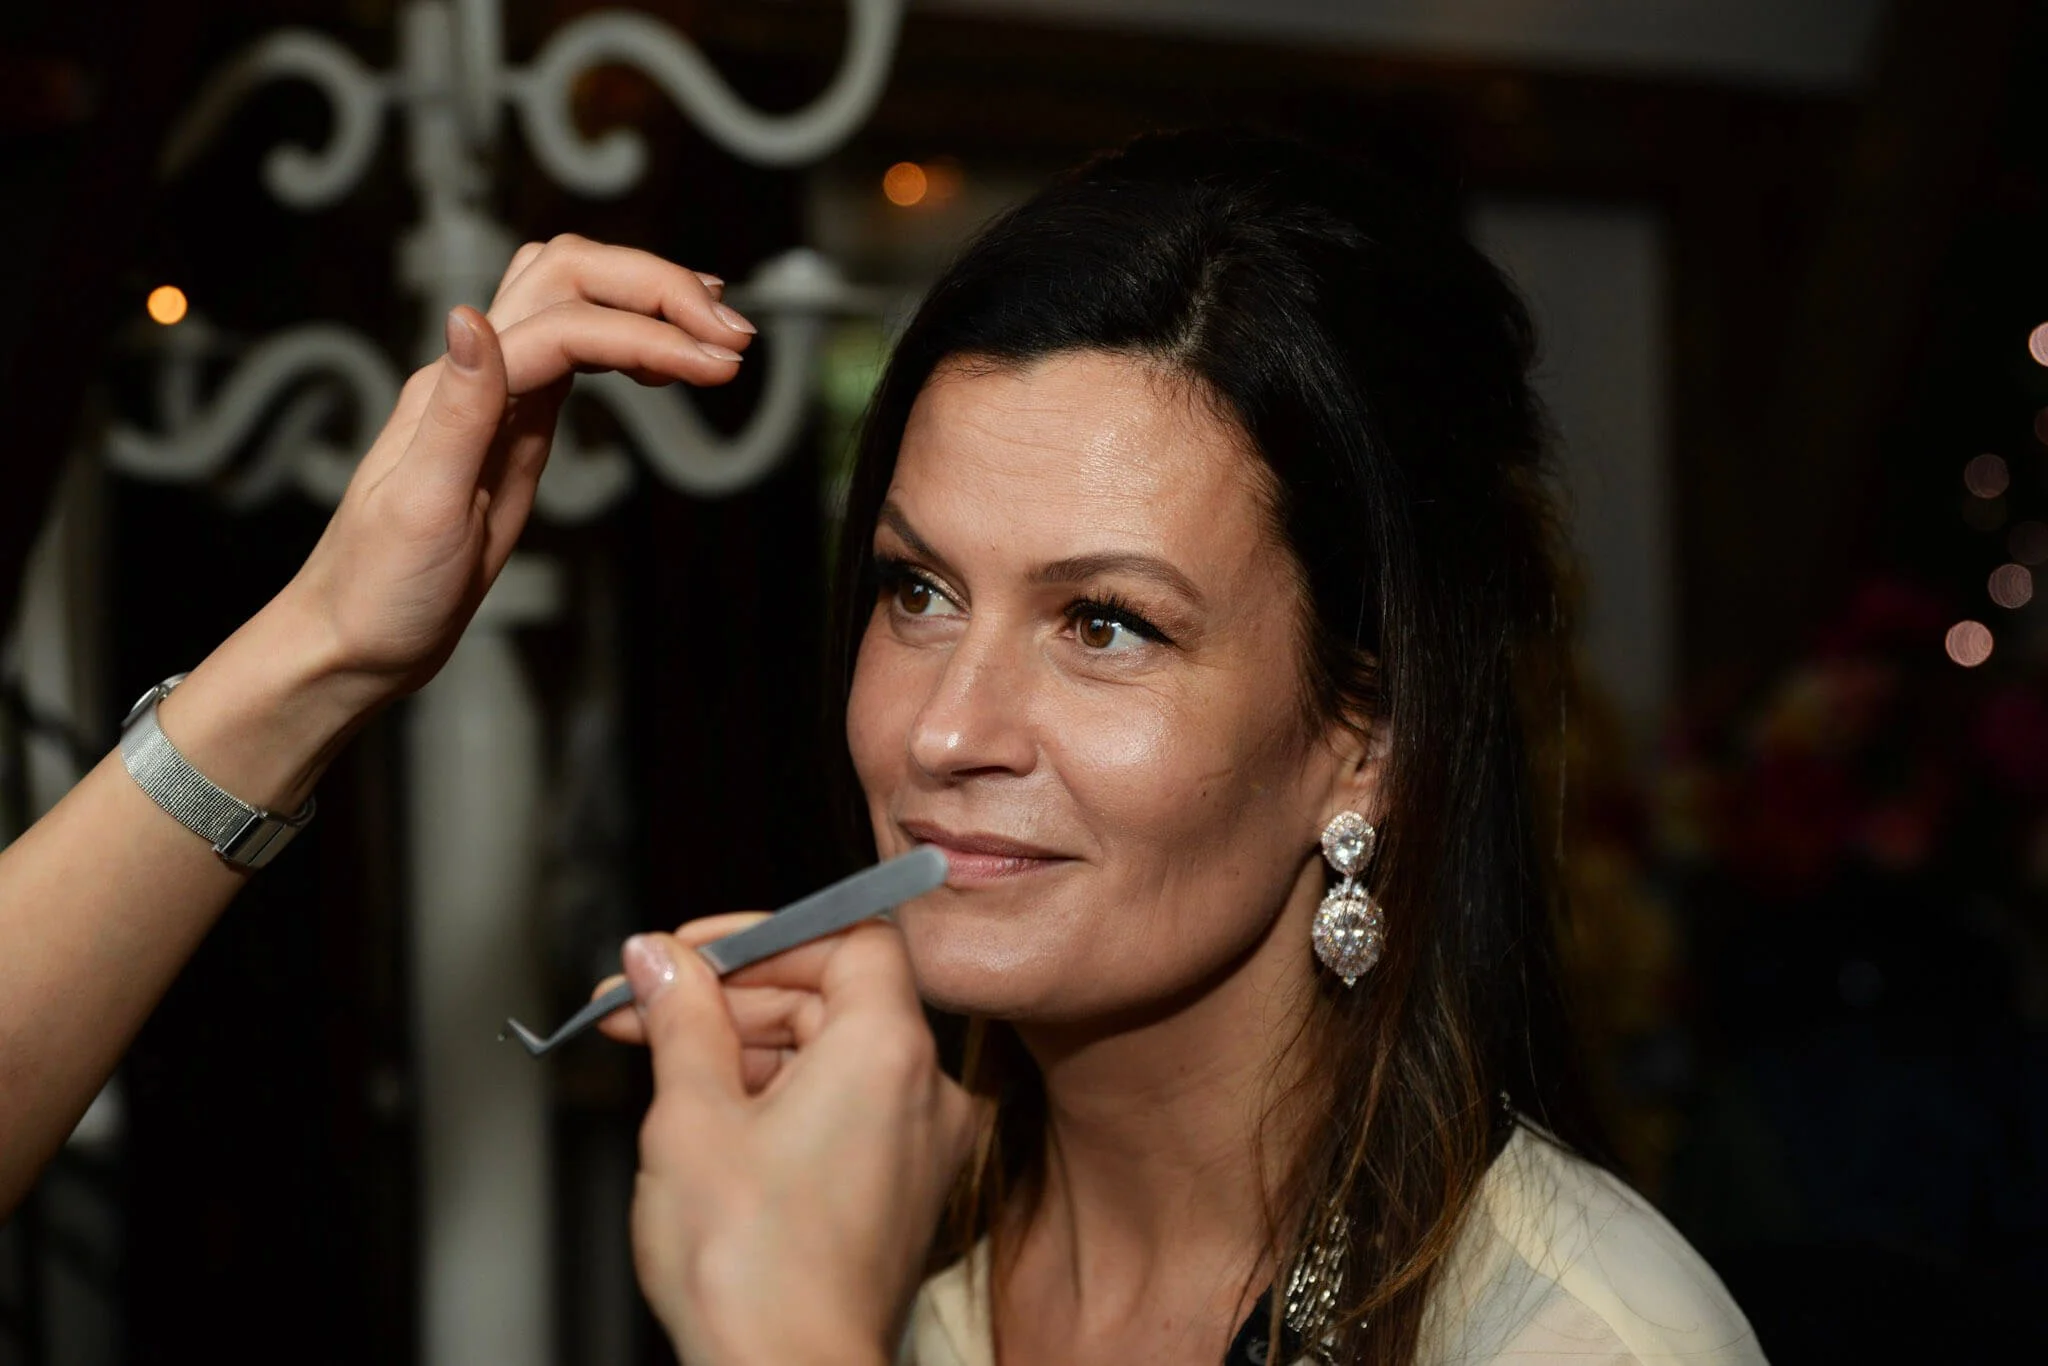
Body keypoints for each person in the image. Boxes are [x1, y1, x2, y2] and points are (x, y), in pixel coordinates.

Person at [0, 130, 1764, 1365]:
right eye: (918, 591)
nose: (941, 729)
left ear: (1362, 741)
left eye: (1106, 623)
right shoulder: (903, 1238)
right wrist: (324, 642)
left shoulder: (1583, 1342)